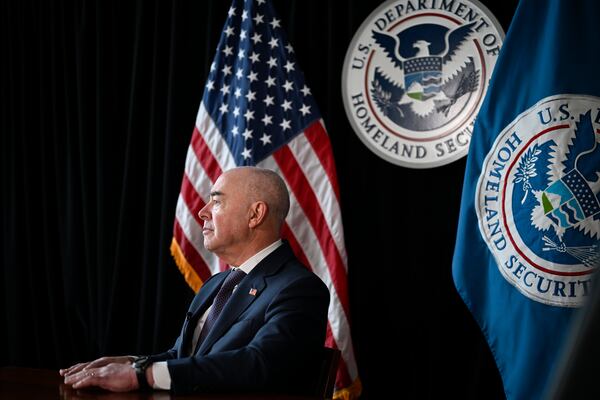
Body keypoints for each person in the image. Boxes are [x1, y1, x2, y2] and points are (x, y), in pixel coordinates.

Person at [60, 166, 330, 395]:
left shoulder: (298, 289)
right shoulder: (216, 284)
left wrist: (143, 375)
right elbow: (184, 358)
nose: (202, 211)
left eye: (217, 201)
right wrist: (134, 364)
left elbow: (261, 364)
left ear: (255, 214)